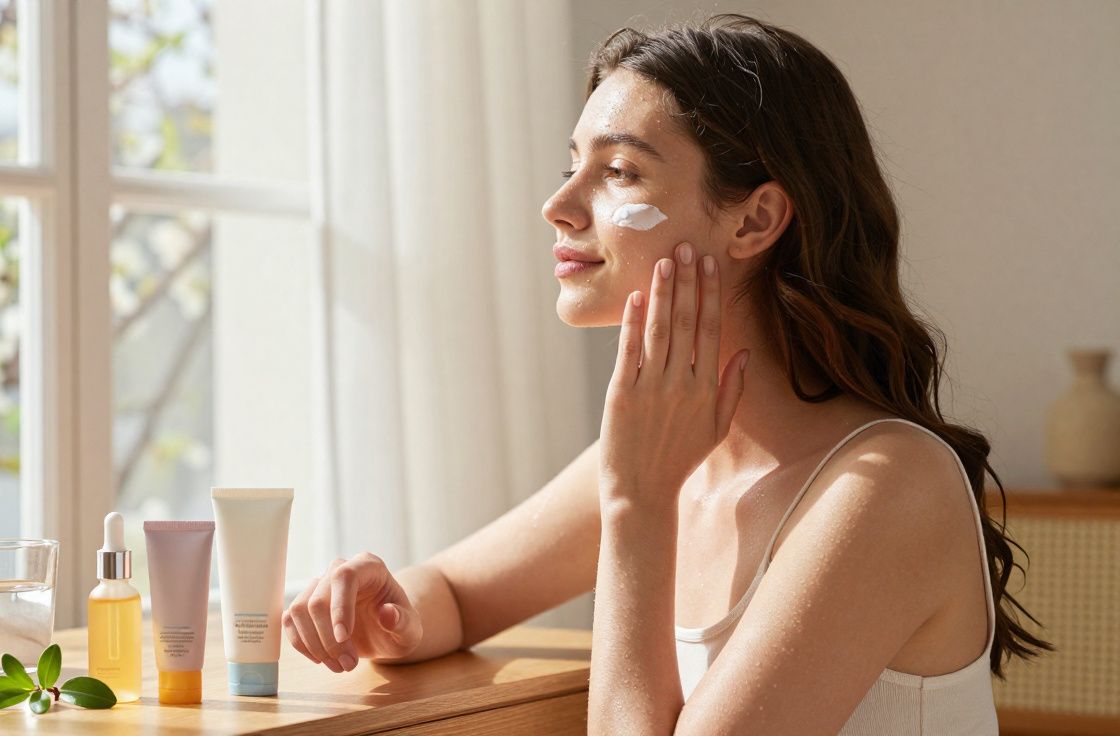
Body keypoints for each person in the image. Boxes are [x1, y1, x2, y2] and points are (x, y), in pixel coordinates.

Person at [280, 13, 1050, 734]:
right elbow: (452, 592)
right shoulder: (673, 452)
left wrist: (638, 504)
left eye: (618, 171)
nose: (558, 205)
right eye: (570, 166)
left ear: (754, 220)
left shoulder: (887, 486)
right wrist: (390, 608)